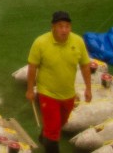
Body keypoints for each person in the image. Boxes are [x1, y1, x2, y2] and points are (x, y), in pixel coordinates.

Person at [25, 11, 92, 153]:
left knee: (61, 123)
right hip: (47, 93)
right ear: (53, 27)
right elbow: (32, 67)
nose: (64, 30)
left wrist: (88, 88)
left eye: (67, 26)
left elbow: (85, 65)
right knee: (53, 134)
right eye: (61, 26)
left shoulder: (78, 41)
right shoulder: (40, 42)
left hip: (68, 94)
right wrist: (30, 90)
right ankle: (48, 140)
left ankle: (44, 136)